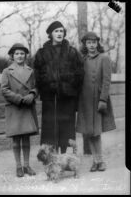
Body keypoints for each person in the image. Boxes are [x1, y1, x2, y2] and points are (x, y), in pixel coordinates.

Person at [33, 21, 84, 154]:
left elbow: (79, 74)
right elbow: (37, 74)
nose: (59, 33)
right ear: (50, 34)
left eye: (61, 31)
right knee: (50, 127)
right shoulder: (42, 53)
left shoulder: (72, 52)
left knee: (66, 127)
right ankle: (51, 156)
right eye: (56, 31)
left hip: (68, 97)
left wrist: (68, 84)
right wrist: (48, 85)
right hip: (50, 98)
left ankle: (65, 157)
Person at [77, 32, 116, 172]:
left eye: (94, 42)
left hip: (98, 100)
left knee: (96, 132)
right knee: (88, 132)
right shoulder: (82, 59)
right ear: (85, 44)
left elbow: (107, 80)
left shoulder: (103, 58)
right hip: (85, 101)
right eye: (89, 43)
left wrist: (103, 99)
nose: (91, 45)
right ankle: (95, 160)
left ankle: (100, 161)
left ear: (97, 44)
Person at [1, 43, 39, 177]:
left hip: (27, 107)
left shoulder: (31, 71)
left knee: (26, 138)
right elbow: (4, 90)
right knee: (16, 139)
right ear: (12, 56)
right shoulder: (7, 71)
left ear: (25, 56)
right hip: (15, 107)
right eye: (17, 53)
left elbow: (36, 87)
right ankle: (18, 166)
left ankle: (27, 165)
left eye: (22, 53)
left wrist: (32, 94)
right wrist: (18, 98)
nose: (19, 56)